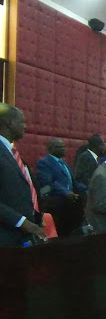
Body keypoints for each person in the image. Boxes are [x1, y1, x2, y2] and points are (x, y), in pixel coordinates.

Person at [0, 104, 46, 246]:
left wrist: (36, 218)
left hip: (23, 238)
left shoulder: (12, 153)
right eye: (22, 122)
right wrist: (23, 222)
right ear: (10, 122)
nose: (25, 126)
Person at [36, 138, 86, 236]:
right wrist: (65, 192)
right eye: (60, 147)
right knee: (61, 233)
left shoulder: (63, 163)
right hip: (56, 204)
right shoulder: (44, 162)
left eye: (64, 146)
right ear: (51, 148)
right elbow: (48, 183)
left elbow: (73, 182)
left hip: (70, 204)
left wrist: (88, 188)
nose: (64, 149)